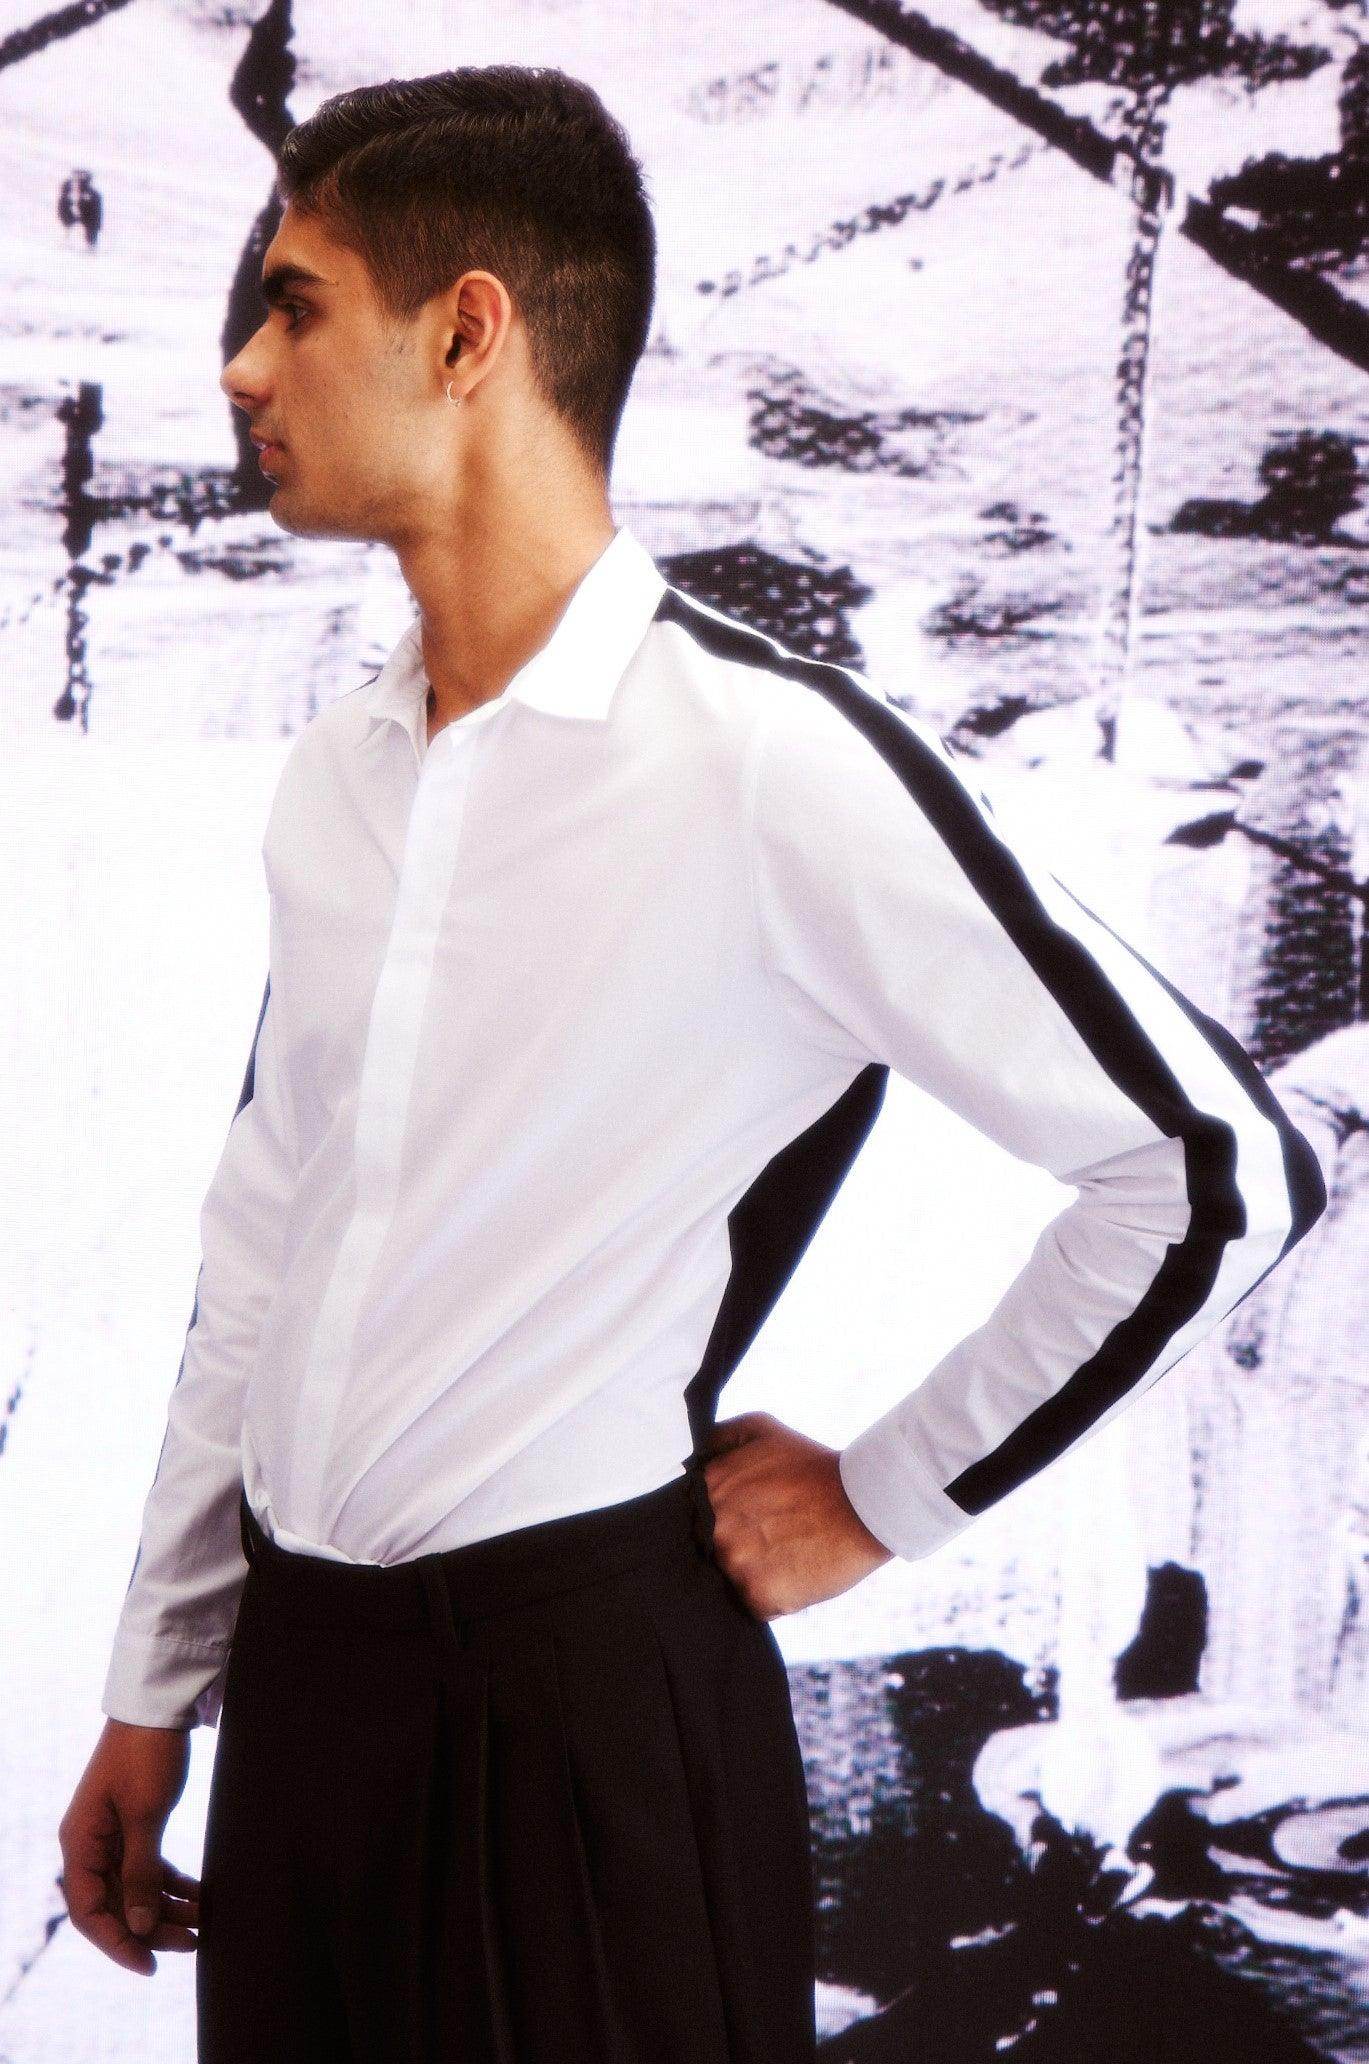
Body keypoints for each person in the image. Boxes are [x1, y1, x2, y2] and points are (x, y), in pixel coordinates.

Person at [57, 63, 1328, 2064]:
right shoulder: (338, 774)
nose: (239, 366)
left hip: (581, 1720)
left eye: (292, 306)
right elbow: (260, 1248)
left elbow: (1211, 1168)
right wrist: (160, 1683)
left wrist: (885, 1494)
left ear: (467, 334)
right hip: (305, 1702)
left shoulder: (763, 761)